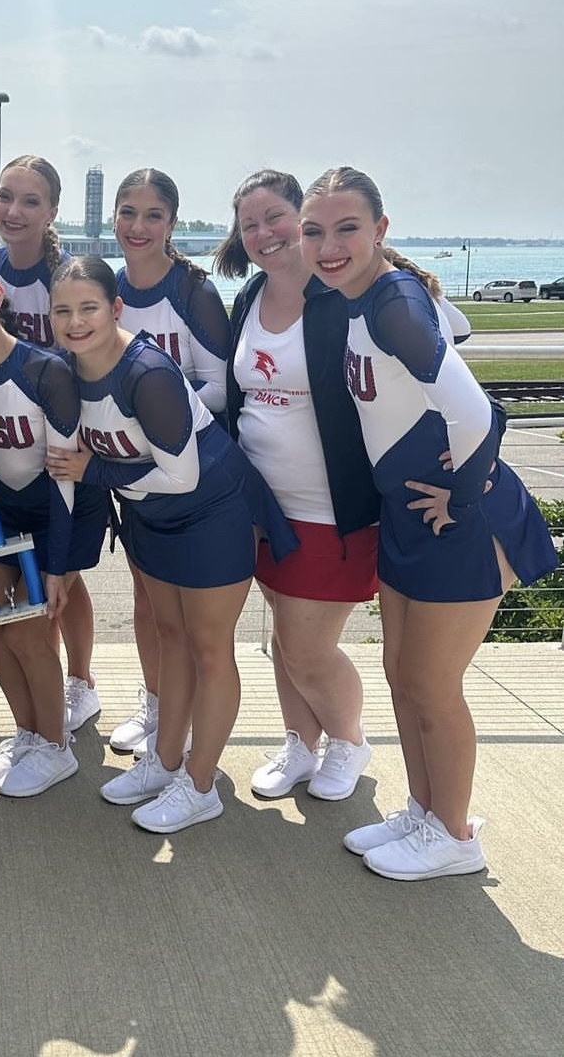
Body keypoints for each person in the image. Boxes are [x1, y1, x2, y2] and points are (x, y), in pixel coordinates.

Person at [298, 167, 557, 880]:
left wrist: (463, 494)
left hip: (455, 522)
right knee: (400, 673)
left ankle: (454, 834)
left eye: (347, 227)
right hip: (410, 515)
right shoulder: (369, 299)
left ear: (380, 230)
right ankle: (422, 810)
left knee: (432, 684)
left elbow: (478, 412)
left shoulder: (391, 304)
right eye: (315, 230)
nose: (328, 244)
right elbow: (451, 341)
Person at [45, 256, 296, 835]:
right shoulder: (64, 369)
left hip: (210, 509)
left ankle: (201, 785)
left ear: (115, 309)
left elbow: (180, 476)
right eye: (63, 310)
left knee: (210, 648)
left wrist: (95, 471)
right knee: (170, 637)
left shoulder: (148, 373)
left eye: (89, 308)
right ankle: (164, 761)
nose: (76, 321)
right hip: (149, 514)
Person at [217, 169, 379, 801]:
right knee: (285, 639)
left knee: (310, 648)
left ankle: (349, 741)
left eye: (275, 217)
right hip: (263, 507)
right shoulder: (249, 297)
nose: (263, 233)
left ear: (302, 218)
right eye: (249, 223)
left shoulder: (346, 297)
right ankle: (299, 743)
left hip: (330, 509)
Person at [0, 254, 109, 795]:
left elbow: (62, 477)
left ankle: (56, 747)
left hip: (64, 512)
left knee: (31, 629)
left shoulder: (45, 370)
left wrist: (58, 566)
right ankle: (29, 732)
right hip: (4, 512)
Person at [110, 168, 232, 757]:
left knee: (189, 614)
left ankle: (187, 732)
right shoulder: (106, 290)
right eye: (127, 212)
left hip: (193, 471)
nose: (138, 226)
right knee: (145, 598)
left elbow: (222, 384)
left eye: (152, 215)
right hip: (135, 471)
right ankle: (157, 706)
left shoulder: (193, 292)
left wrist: (160, 412)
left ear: (171, 224)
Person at [0, 155, 101, 731]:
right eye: (6, 196)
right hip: (13, 460)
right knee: (47, 588)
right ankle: (56, 691)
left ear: (53, 211)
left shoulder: (69, 278)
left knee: (64, 582)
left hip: (68, 452)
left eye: (31, 201)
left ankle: (78, 682)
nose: (15, 211)